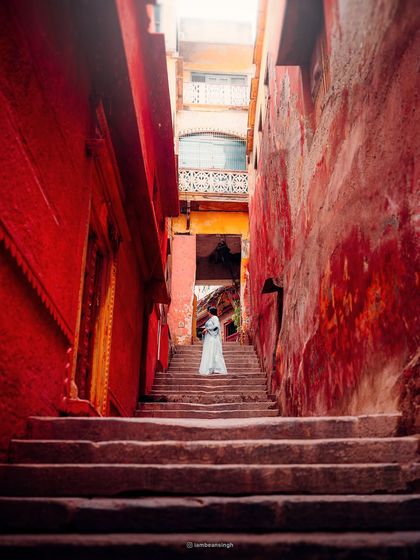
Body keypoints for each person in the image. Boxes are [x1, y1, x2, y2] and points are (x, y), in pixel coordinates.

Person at [199, 306, 227, 375]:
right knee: (210, 352)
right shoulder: (211, 319)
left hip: (212, 337)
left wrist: (207, 329)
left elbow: (216, 326)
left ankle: (215, 368)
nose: (208, 312)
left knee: (213, 352)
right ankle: (211, 368)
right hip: (209, 337)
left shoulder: (215, 318)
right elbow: (210, 326)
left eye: (208, 311)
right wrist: (205, 329)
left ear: (210, 312)